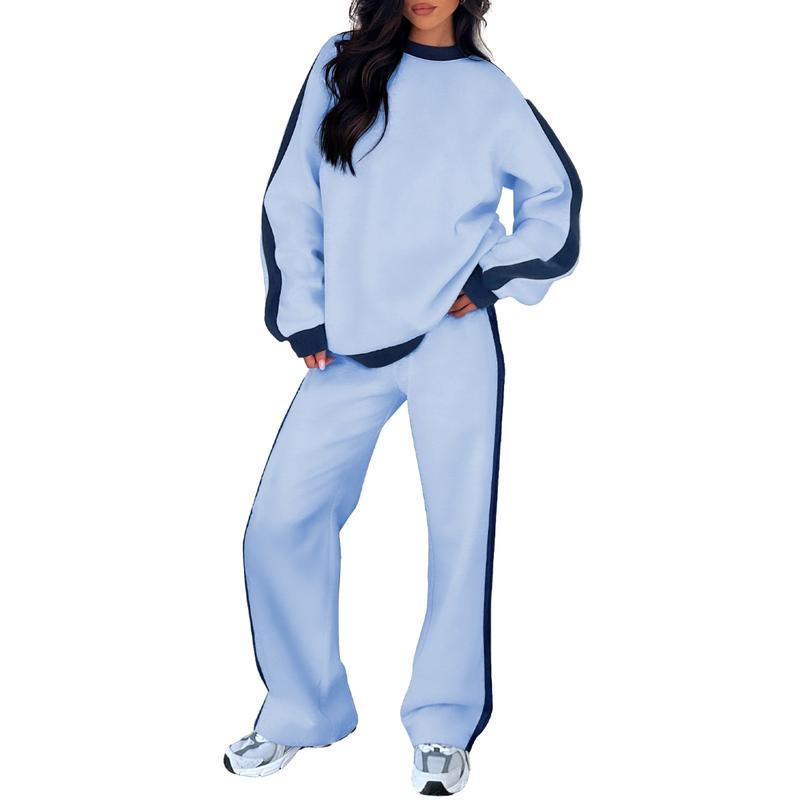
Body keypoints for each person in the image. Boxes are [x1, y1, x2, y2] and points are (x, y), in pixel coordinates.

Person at [224, 0, 581, 793]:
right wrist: (304, 309)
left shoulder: (489, 93)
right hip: (346, 340)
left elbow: (555, 206)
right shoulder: (341, 63)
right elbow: (292, 193)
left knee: (459, 530)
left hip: (452, 337)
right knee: (281, 522)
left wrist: (490, 278)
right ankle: (303, 710)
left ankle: (443, 724)